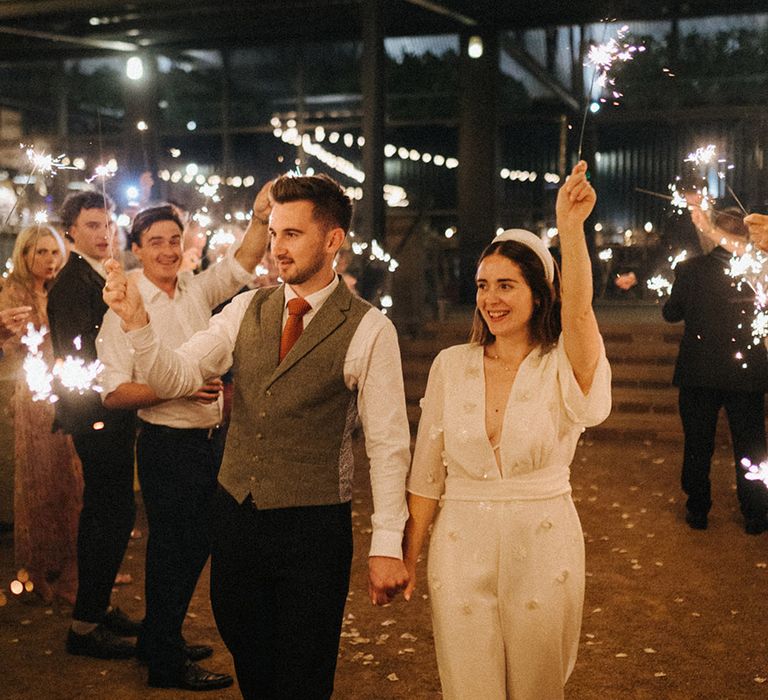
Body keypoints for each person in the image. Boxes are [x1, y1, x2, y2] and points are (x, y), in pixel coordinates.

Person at [102, 173, 411, 699]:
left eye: (292, 234)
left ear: (332, 240)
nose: (277, 247)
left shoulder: (369, 329)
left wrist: (387, 544)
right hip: (236, 516)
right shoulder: (247, 308)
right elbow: (176, 375)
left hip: (313, 525)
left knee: (305, 671)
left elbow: (387, 443)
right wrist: (137, 323)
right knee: (250, 654)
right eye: (273, 232)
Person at [402, 161, 612, 700]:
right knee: (468, 683)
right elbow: (427, 472)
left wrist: (570, 229)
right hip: (459, 540)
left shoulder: (563, 361)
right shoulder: (452, 364)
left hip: (543, 539)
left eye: (506, 285)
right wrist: (405, 554)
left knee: (538, 683)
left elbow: (581, 311)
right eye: (482, 286)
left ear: (539, 292)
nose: (491, 298)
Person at [97, 186, 270, 691]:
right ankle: (166, 664)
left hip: (209, 441)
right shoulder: (123, 306)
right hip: (167, 446)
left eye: (175, 240)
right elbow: (112, 393)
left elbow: (241, 262)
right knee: (177, 551)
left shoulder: (193, 287)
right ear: (136, 249)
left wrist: (260, 218)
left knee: (188, 549)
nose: (169, 250)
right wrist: (178, 387)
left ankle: (157, 640)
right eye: (156, 242)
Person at [48, 191, 140, 659]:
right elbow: (78, 356)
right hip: (96, 413)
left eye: (108, 224)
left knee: (115, 511)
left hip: (110, 408)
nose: (104, 234)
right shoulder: (72, 283)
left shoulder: (99, 274)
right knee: (108, 513)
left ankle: (98, 607)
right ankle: (85, 626)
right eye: (92, 225)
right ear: (71, 231)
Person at [663, 207, 768, 534]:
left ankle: (697, 509)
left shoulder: (690, 269)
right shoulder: (759, 271)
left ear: (713, 233)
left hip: (699, 372)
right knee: (751, 443)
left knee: (697, 442)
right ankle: (756, 513)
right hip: (746, 373)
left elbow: (671, 314)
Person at [0, 225, 83, 605]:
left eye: (54, 252)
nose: (49, 260)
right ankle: (37, 570)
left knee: (70, 481)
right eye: (40, 252)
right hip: (34, 398)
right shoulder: (13, 293)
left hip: (63, 391)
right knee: (40, 484)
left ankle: (71, 567)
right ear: (24, 254)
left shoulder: (55, 291)